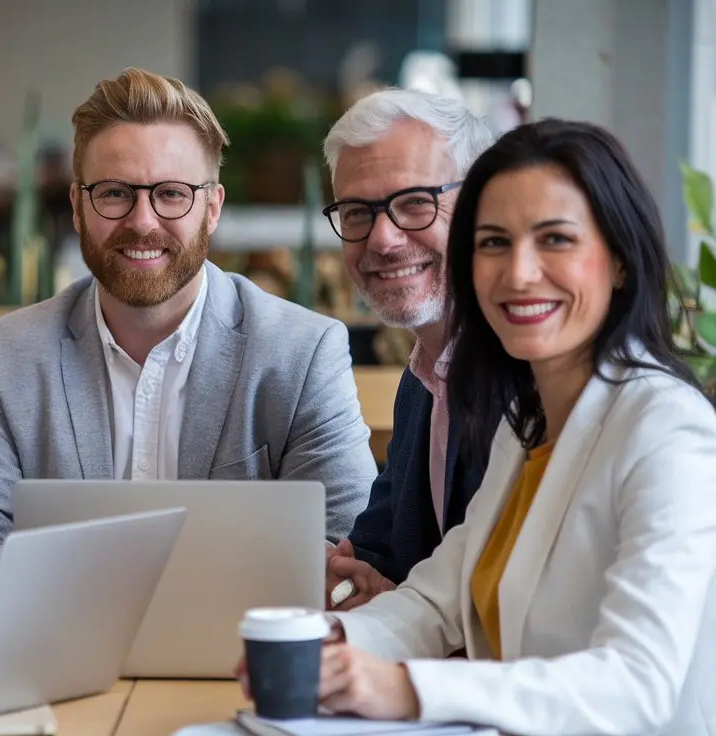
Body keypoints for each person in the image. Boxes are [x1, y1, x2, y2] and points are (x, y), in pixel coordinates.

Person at [241, 119, 716, 734]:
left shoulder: (667, 430)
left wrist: (405, 688)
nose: (518, 272)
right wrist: (320, 642)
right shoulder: (528, 426)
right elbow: (435, 603)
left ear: (620, 262)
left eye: (555, 240)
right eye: (494, 242)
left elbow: (637, 684)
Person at [0, 67, 378, 610]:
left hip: (236, 669)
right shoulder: (13, 353)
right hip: (63, 668)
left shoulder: (300, 351)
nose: (142, 220)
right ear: (78, 205)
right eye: (114, 193)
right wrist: (121, 597)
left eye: (171, 194)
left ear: (212, 207)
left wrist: (90, 587)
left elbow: (349, 544)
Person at [317, 89, 497, 610]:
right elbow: (376, 552)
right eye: (356, 211)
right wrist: (341, 577)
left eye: (415, 202)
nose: (383, 239)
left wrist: (392, 604)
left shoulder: (529, 383)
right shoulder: (423, 379)